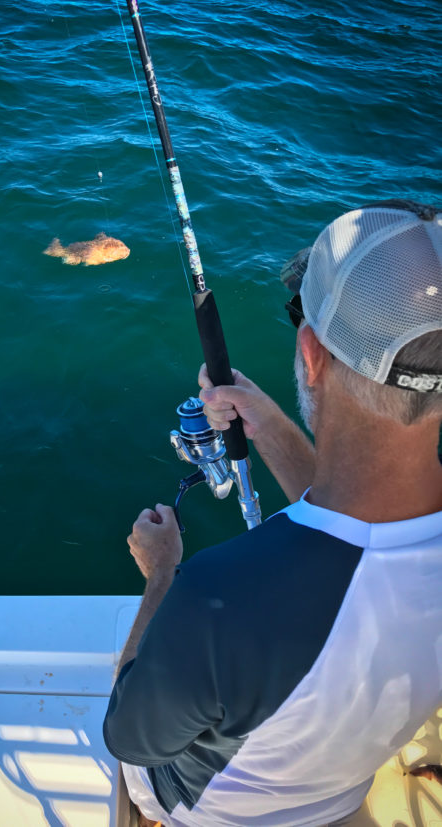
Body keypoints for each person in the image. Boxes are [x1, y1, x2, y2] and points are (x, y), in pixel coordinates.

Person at [103, 199, 442, 827]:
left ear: (311, 355)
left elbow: (129, 736)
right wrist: (274, 430)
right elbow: (367, 538)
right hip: (342, 788)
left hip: (206, 806)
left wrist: (161, 577)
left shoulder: (218, 599)